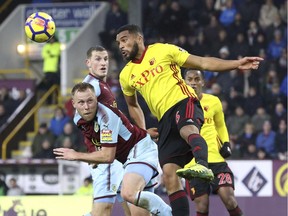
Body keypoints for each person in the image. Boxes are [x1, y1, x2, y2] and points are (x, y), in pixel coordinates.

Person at [115, 24, 263, 216]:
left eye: (124, 40)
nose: (121, 46)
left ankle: (202, 165)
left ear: (139, 38)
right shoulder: (126, 75)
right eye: (118, 43)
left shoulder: (163, 50)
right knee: (169, 175)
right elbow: (133, 105)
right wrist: (143, 132)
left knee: (188, 130)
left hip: (184, 102)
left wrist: (236, 64)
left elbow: (202, 63)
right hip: (164, 121)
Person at [53, 82, 172, 216]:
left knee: (128, 193)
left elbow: (108, 156)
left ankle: (167, 212)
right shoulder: (78, 118)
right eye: (81, 102)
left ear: (96, 99)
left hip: (141, 150)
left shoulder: (106, 116)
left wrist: (76, 155)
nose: (86, 107)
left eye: (90, 101)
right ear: (73, 104)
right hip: (127, 161)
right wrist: (94, 154)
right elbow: (91, 138)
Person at [73, 46, 151, 216]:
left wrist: (137, 133)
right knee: (104, 209)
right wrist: (95, 150)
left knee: (130, 206)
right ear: (88, 63)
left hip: (118, 153)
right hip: (108, 155)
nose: (103, 63)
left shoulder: (102, 85)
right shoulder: (93, 86)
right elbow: (79, 117)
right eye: (98, 59)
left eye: (105, 59)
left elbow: (114, 119)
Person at [183, 69, 243, 216]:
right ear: (184, 82)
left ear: (203, 82)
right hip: (194, 163)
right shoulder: (178, 104)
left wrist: (226, 143)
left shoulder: (214, 101)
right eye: (189, 79)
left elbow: (221, 125)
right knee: (202, 205)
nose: (193, 83)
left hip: (216, 160)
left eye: (197, 79)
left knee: (229, 199)